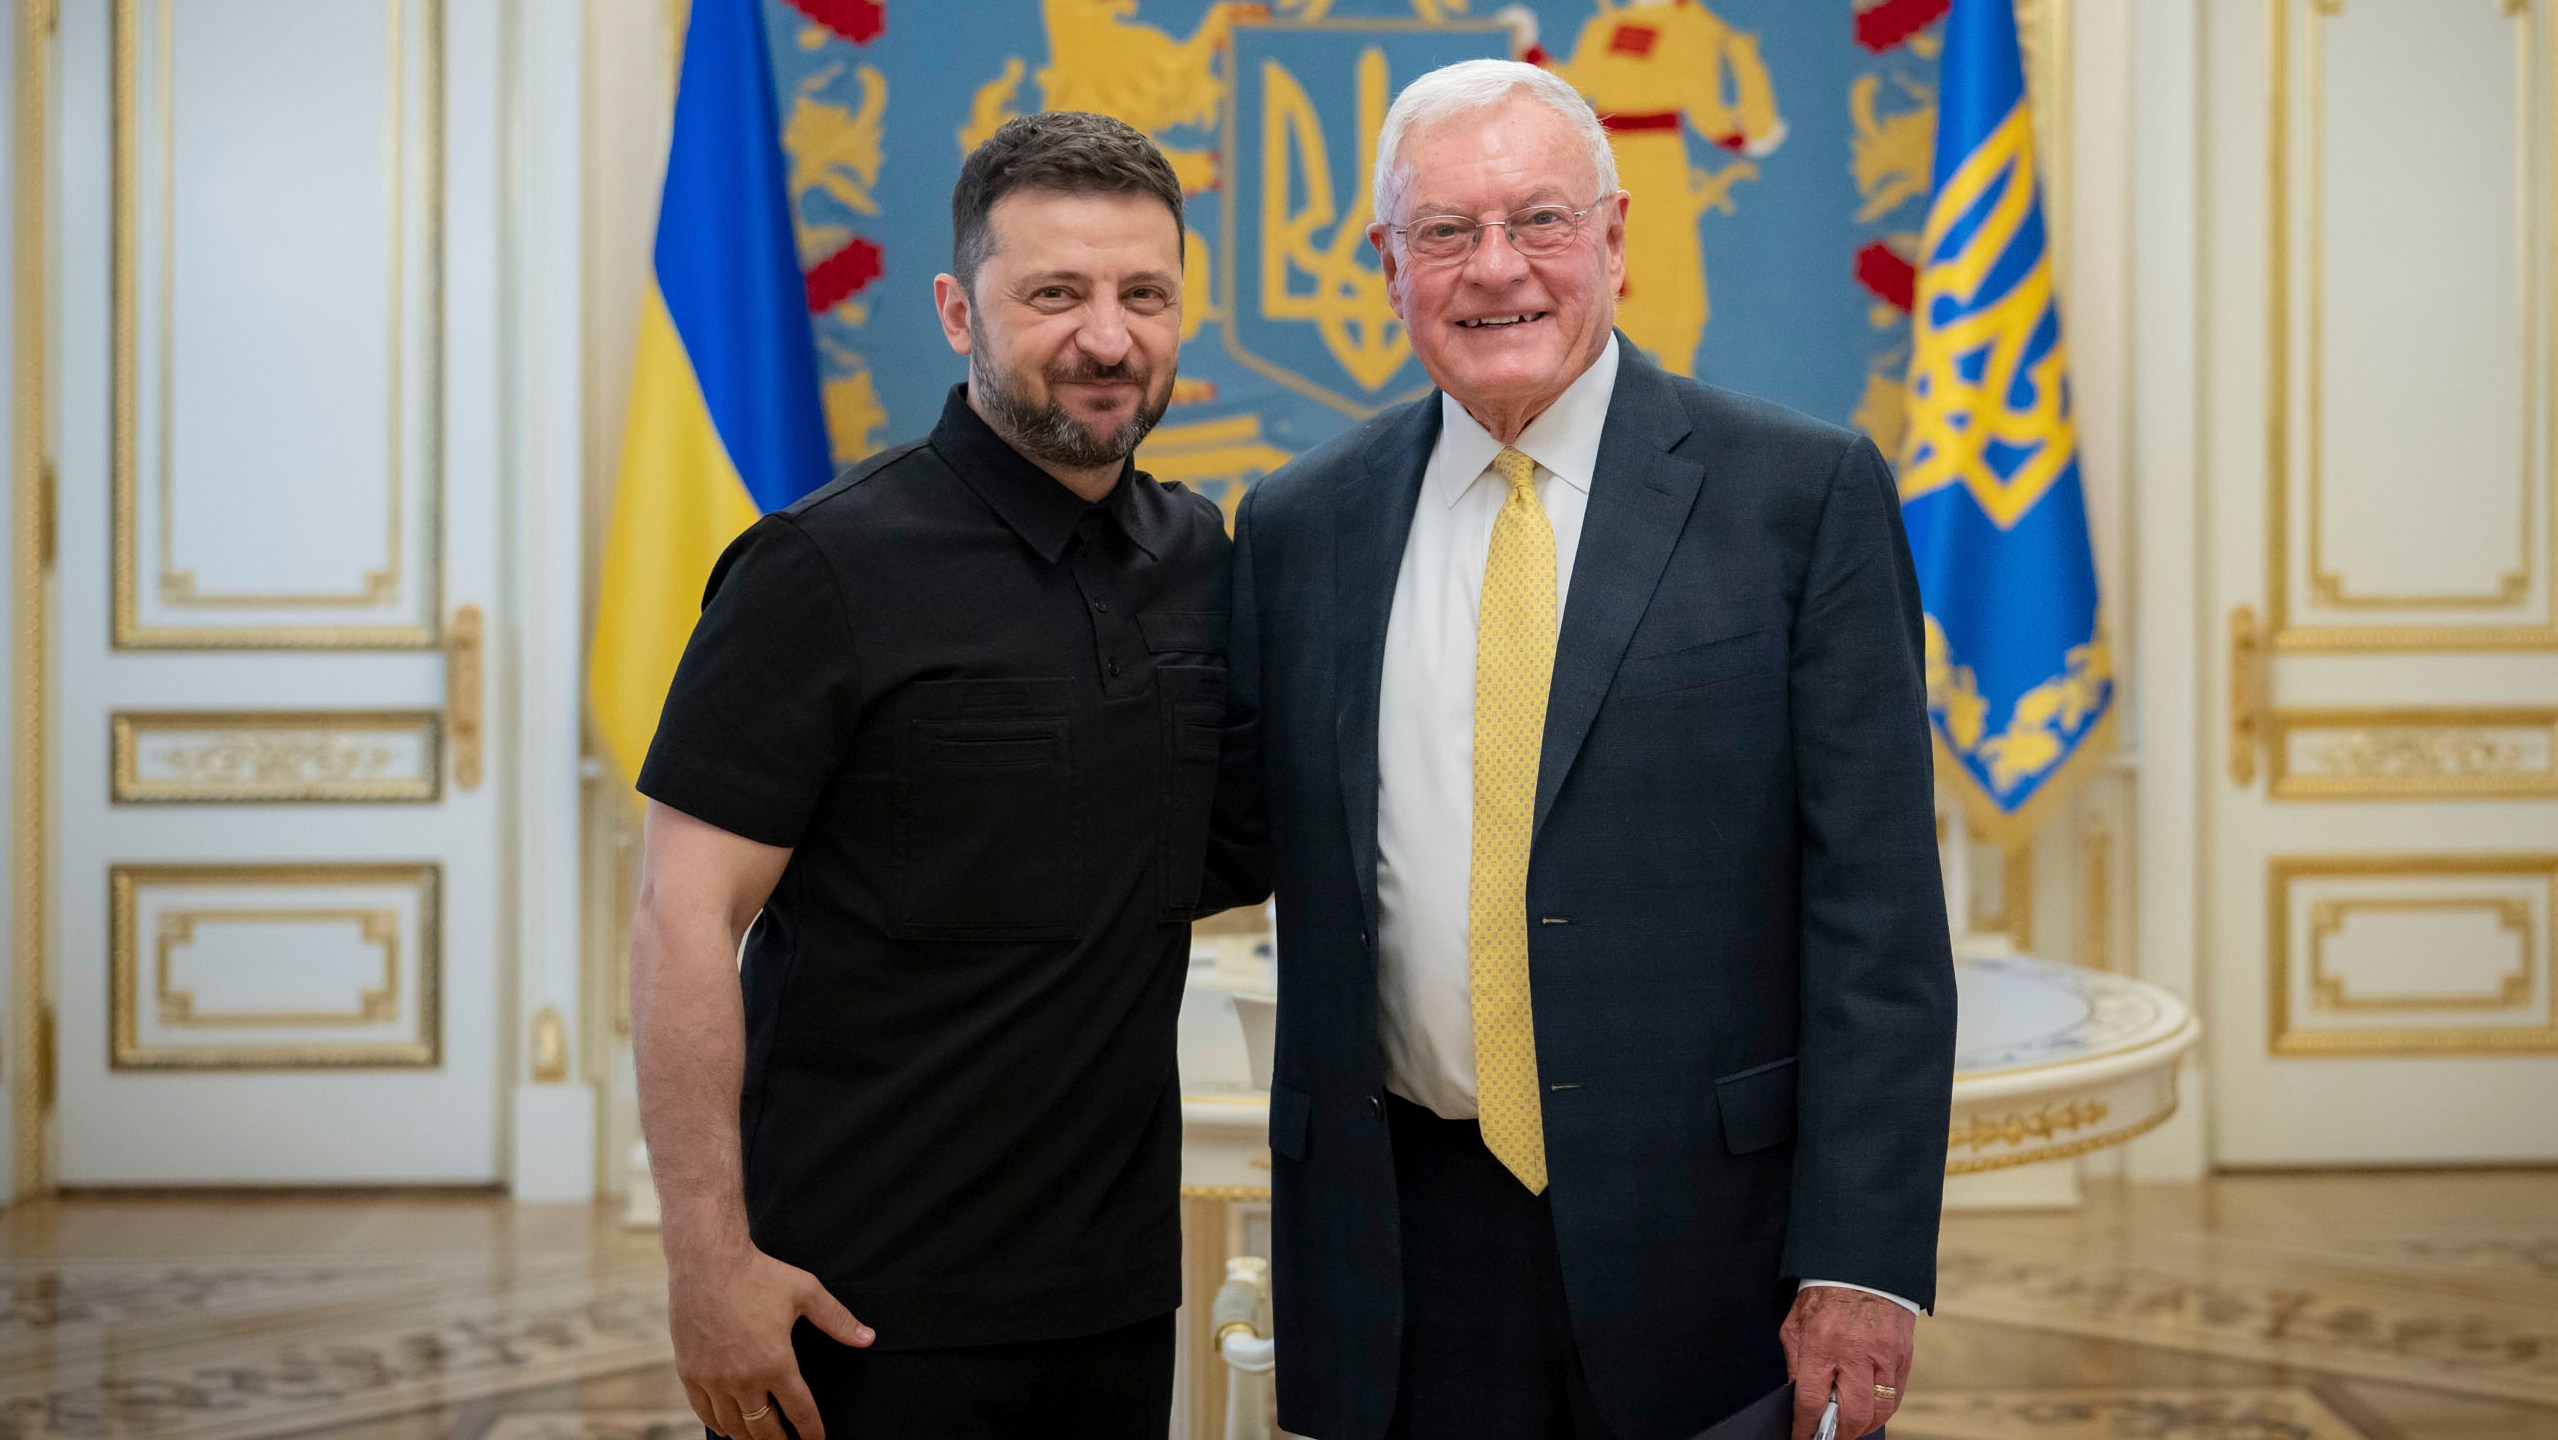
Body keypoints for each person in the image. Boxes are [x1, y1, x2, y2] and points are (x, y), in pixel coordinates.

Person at [1229, 59, 1956, 1440]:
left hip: (1712, 1246)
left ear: (1613, 239)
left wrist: (1857, 1263)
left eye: (1538, 220)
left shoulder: (1797, 498)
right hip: (1395, 1243)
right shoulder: (1296, 527)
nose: (1494, 268)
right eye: (1443, 232)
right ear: (1388, 265)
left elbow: (1875, 915)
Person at [629, 111, 1262, 1440]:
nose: (1107, 337)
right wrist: (707, 1266)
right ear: (956, 311)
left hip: (1112, 1293)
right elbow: (683, 920)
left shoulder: (1199, 559)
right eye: (1053, 294)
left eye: (1143, 294)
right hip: (859, 1299)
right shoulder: (818, 571)